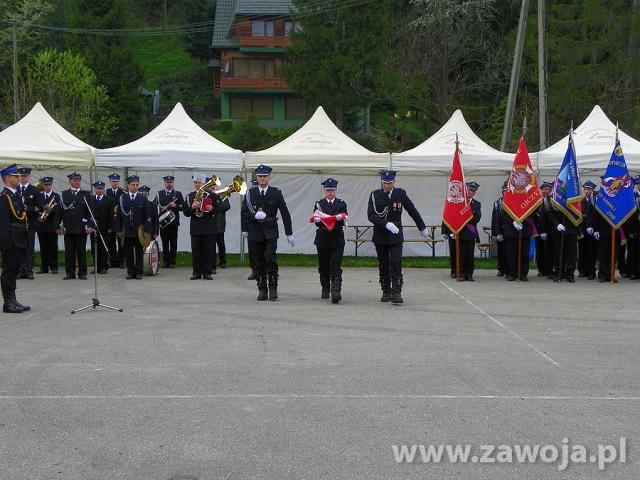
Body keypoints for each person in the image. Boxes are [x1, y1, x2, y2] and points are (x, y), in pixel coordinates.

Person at [367, 170, 429, 303]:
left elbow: (412, 210)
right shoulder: (374, 195)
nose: (386, 186)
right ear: (381, 182)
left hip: (396, 234)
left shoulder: (400, 194)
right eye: (384, 183)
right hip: (381, 233)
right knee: (383, 264)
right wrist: (386, 224)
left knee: (396, 262)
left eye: (389, 183)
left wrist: (422, 226)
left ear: (394, 182)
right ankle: (386, 290)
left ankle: (396, 291)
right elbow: (371, 215)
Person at [241, 165, 294, 301]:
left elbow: (284, 212)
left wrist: (289, 233)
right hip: (255, 231)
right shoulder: (250, 194)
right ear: (256, 177)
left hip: (270, 230)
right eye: (260, 176)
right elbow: (244, 213)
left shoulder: (276, 193)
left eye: (265, 176)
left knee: (270, 259)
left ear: (269, 177)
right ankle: (262, 289)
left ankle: (273, 287)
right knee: (258, 262)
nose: (262, 178)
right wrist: (246, 228)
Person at [0, 164, 31, 312]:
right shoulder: (4, 197)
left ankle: (13, 299)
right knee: (8, 270)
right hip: (11, 240)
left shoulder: (16, 195)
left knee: (14, 270)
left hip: (19, 238)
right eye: (15, 176)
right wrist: (5, 243)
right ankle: (8, 302)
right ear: (7, 178)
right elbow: (4, 223)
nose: (19, 178)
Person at [312, 178, 348, 303]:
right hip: (322, 238)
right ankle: (325, 287)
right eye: (327, 190)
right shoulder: (319, 204)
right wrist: (317, 220)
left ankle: (336, 291)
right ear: (324, 191)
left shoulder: (341, 203)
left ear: (335, 190)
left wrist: (340, 218)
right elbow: (316, 219)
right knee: (323, 266)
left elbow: (344, 216)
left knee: (335, 265)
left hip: (337, 238)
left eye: (332, 190)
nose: (330, 193)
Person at [115, 175, 153, 280]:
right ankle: (130, 271)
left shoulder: (142, 198)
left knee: (139, 252)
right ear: (128, 186)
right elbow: (119, 216)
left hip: (139, 230)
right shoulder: (123, 198)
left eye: (137, 185)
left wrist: (147, 230)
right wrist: (118, 229)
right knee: (129, 252)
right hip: (127, 230)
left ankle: (138, 272)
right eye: (133, 185)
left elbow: (147, 215)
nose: (135, 187)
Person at [442, 181, 482, 281]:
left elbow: (477, 218)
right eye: (469, 189)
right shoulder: (458, 202)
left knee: (469, 255)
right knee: (460, 254)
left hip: (470, 233)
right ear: (465, 189)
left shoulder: (476, 204)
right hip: (459, 232)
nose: (471, 192)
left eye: (473, 190)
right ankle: (461, 273)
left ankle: (469, 274)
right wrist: (445, 231)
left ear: (475, 192)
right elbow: (449, 215)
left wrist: (464, 218)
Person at [58, 172, 94, 280]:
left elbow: (91, 212)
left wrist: (89, 225)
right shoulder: (64, 194)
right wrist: (58, 226)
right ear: (70, 181)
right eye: (75, 180)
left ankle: (82, 273)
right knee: (69, 252)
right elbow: (60, 211)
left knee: (81, 251)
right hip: (68, 228)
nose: (77, 182)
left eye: (79, 180)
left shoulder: (86, 194)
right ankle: (70, 273)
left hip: (81, 228)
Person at [183, 174, 219, 280]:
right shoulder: (189, 196)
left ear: (204, 183)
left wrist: (211, 208)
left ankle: (207, 273)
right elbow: (186, 213)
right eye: (195, 183)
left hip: (208, 227)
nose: (197, 184)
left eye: (199, 182)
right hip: (196, 228)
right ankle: (196, 272)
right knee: (196, 251)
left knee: (208, 251)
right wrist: (192, 207)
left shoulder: (212, 195)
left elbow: (218, 211)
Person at [17, 167, 41, 279]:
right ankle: (20, 270)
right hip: (17, 224)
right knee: (19, 248)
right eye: (21, 176)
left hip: (30, 223)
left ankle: (29, 270)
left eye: (25, 176)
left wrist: (27, 209)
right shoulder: (15, 189)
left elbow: (39, 207)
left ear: (29, 177)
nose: (23, 178)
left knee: (29, 248)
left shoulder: (34, 190)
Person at [500, 207, 535, 281]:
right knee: (511, 254)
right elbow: (504, 213)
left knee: (524, 253)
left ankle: (523, 273)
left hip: (525, 229)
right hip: (511, 230)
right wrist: (513, 221)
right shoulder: (509, 196)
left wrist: (523, 220)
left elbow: (533, 211)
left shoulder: (528, 196)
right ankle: (512, 273)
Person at [156, 175, 184, 268]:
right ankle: (166, 261)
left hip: (173, 222)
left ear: (173, 183)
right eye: (167, 182)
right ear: (164, 183)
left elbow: (184, 207)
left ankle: (172, 261)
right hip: (163, 222)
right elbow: (153, 205)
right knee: (164, 242)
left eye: (171, 182)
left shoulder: (178, 194)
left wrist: (176, 206)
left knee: (173, 242)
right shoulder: (159, 194)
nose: (169, 184)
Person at [35, 176, 61, 274]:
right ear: (43, 185)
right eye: (45, 185)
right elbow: (37, 207)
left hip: (52, 225)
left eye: (48, 184)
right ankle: (44, 267)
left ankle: (54, 267)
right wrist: (40, 212)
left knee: (53, 247)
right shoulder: (39, 195)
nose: (47, 186)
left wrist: (51, 210)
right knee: (43, 248)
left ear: (51, 184)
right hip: (41, 225)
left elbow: (59, 210)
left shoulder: (56, 195)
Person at [90, 181, 115, 274]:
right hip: (94, 228)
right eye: (98, 188)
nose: (100, 190)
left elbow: (112, 216)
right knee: (94, 248)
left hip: (105, 228)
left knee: (103, 248)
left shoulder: (109, 200)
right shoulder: (91, 199)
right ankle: (96, 266)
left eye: (101, 188)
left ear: (104, 189)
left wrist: (111, 227)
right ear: (95, 189)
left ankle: (104, 266)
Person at [578, 180, 598, 279]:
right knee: (582, 251)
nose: (586, 191)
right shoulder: (580, 201)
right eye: (585, 189)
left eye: (589, 189)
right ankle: (582, 271)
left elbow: (595, 215)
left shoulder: (595, 200)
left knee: (591, 251)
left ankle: (591, 272)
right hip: (582, 229)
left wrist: (593, 227)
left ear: (593, 190)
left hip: (592, 230)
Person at [105, 173, 125, 268]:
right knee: (111, 242)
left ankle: (121, 261)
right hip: (110, 220)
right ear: (110, 182)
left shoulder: (123, 192)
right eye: (113, 181)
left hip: (120, 221)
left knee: (121, 242)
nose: (115, 183)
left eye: (116, 181)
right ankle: (113, 261)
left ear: (119, 182)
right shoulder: (106, 192)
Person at [535, 182, 554, 278]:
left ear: (550, 190)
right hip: (538, 230)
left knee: (550, 250)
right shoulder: (536, 200)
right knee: (540, 251)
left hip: (550, 229)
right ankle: (541, 270)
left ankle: (550, 270)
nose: (544, 191)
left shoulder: (552, 201)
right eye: (542, 189)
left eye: (546, 189)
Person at [242, 173, 259, 280]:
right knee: (252, 251)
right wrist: (244, 229)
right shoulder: (248, 197)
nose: (255, 187)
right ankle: (254, 270)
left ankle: (268, 269)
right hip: (252, 227)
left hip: (265, 228)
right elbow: (243, 213)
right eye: (254, 185)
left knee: (267, 252)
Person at [491, 181, 507, 276]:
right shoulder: (497, 203)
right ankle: (501, 269)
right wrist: (495, 233)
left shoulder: (513, 203)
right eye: (504, 191)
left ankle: (509, 268)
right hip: (500, 230)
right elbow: (494, 219)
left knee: (509, 251)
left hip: (509, 230)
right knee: (501, 251)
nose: (505, 192)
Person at [215, 192, 231, 270]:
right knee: (210, 245)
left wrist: (217, 203)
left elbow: (227, 206)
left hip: (219, 223)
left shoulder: (222, 195)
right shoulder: (207, 194)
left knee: (221, 244)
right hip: (210, 224)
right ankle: (211, 262)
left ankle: (223, 261)